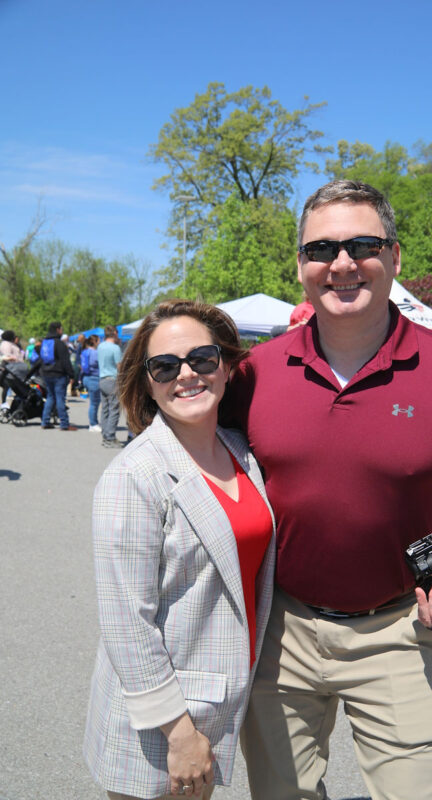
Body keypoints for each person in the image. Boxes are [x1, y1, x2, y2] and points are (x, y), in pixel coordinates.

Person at [226, 179, 432, 800]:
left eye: (362, 244)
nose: (343, 264)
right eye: (321, 249)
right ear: (301, 265)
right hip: (282, 630)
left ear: (396, 257)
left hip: (399, 632)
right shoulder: (254, 375)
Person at [83, 299, 275, 800]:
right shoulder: (134, 476)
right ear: (147, 383)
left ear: (227, 367)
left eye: (202, 359)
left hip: (219, 698)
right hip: (163, 724)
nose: (186, 375)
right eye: (165, 366)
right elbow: (127, 622)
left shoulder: (242, 452)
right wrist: (178, 730)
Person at [38, 321, 76, 431]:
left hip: (46, 374)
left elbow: (40, 360)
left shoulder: (45, 342)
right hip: (59, 375)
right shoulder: (59, 343)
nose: (62, 331)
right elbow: (65, 361)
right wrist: (72, 374)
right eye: (61, 329)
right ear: (58, 329)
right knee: (60, 398)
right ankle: (64, 423)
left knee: (50, 397)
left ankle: (45, 421)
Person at [97, 324, 123, 447]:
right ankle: (110, 437)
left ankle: (105, 435)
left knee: (105, 409)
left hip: (102, 379)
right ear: (114, 333)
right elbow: (119, 366)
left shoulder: (100, 346)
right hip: (112, 380)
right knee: (114, 410)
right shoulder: (115, 348)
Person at [80, 334, 101, 431]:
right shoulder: (94, 353)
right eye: (98, 341)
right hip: (94, 379)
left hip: (86, 378)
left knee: (93, 402)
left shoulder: (84, 352)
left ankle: (93, 422)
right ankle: (93, 424)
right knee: (94, 403)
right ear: (94, 342)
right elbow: (96, 363)